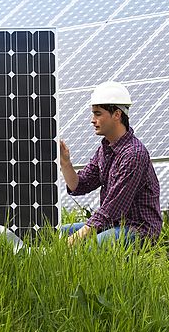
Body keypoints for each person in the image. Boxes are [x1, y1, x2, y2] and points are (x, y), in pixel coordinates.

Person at [59, 80, 162, 247]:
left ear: (117, 115)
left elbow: (113, 208)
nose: (93, 120)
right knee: (56, 234)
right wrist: (65, 162)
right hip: (112, 225)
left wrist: (77, 237)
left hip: (138, 229)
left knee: (88, 247)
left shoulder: (133, 154)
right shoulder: (105, 150)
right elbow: (80, 185)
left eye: (98, 114)